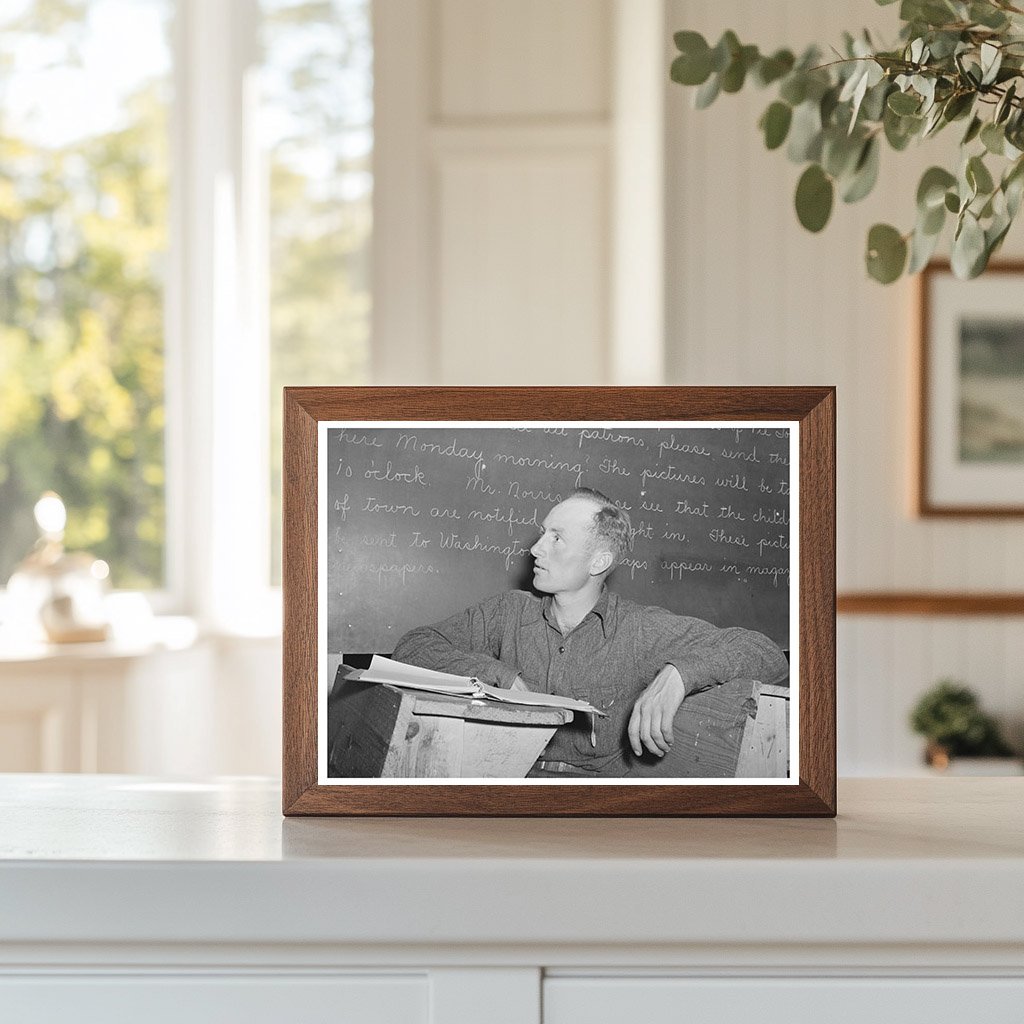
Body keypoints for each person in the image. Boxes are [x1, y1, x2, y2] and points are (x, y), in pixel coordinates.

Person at [391, 487, 788, 777]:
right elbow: (413, 646)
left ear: (598, 561)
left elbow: (766, 653)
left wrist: (678, 675)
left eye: (556, 538)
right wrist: (499, 678)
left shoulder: (639, 629)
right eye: (543, 533)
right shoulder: (507, 612)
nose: (536, 549)